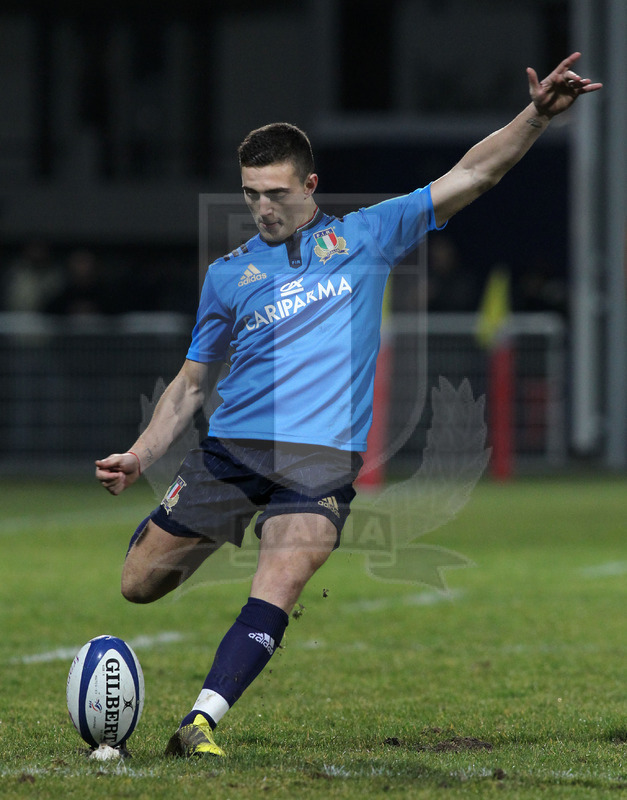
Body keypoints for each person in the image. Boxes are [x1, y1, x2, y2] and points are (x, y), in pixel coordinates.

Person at [95, 53, 601, 758]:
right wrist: (142, 454)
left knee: (285, 572)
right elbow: (188, 385)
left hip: (320, 461)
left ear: (310, 185)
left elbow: (472, 174)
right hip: (231, 451)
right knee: (138, 586)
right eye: (249, 195)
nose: (263, 208)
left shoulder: (365, 235)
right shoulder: (228, 275)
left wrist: (537, 116)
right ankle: (200, 528)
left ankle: (201, 720)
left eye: (275, 192)